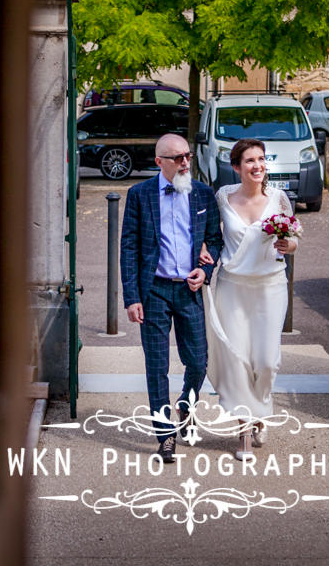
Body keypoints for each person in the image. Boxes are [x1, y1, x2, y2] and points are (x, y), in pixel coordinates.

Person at [121, 134, 223, 463]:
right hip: (153, 291)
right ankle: (164, 435)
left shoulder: (203, 194)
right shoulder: (139, 195)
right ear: (159, 162)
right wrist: (131, 296)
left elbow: (215, 240)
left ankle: (185, 405)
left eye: (187, 156)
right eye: (177, 158)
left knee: (197, 362)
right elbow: (129, 249)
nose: (184, 163)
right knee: (157, 367)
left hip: (189, 289)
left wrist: (205, 271)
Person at [201, 138, 298, 460]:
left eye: (261, 159)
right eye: (250, 161)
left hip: (270, 287)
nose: (257, 166)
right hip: (232, 286)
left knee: (267, 361)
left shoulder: (280, 198)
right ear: (236, 167)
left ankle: (260, 410)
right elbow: (209, 234)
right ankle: (244, 433)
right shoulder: (223, 197)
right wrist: (202, 251)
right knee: (238, 358)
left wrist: (289, 246)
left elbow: (293, 238)